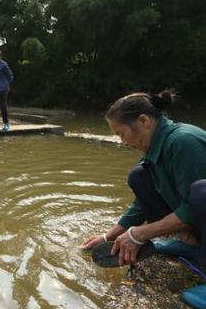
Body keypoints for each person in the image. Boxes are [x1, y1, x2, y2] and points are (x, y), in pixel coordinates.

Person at [81, 90, 206, 308]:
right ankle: (197, 247)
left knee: (202, 192)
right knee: (138, 176)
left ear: (144, 121)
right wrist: (108, 235)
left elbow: (196, 203)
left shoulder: (183, 142)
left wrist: (140, 233)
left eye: (121, 134)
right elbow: (142, 203)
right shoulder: (155, 150)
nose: (121, 141)